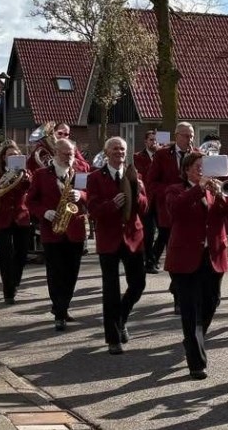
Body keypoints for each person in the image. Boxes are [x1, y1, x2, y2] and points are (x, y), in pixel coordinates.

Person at [165, 150, 228, 380]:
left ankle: (193, 339)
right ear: (186, 170)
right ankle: (197, 362)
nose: (202, 171)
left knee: (211, 303)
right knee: (190, 310)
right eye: (197, 167)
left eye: (204, 167)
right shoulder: (175, 190)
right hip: (185, 259)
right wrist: (199, 188)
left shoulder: (215, 190)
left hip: (213, 256)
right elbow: (175, 210)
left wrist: (222, 195)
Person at [87, 137, 147, 354]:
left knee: (138, 284)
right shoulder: (95, 177)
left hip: (133, 237)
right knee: (111, 290)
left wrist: (138, 193)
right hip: (109, 238)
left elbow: (144, 208)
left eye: (122, 149)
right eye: (114, 149)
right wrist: (111, 205)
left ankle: (120, 318)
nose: (119, 152)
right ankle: (113, 338)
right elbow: (92, 209)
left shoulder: (134, 175)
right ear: (106, 152)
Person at [27, 137, 89, 331]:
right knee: (55, 273)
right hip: (52, 231)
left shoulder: (81, 171)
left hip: (75, 229)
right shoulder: (41, 174)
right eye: (65, 154)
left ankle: (62, 306)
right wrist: (44, 212)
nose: (70, 157)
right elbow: (31, 201)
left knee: (71, 273)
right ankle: (60, 312)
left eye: (71, 154)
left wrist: (82, 195)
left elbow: (91, 194)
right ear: (55, 154)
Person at [0, 141, 34, 304]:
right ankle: (8, 291)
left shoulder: (25, 172)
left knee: (21, 254)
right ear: (4, 158)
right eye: (9, 155)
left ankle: (15, 280)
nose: (13, 157)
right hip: (2, 218)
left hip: (21, 217)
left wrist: (26, 178)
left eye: (15, 155)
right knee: (5, 256)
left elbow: (29, 189)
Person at [148, 122, 198, 273]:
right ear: (176, 136)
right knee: (173, 246)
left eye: (192, 136)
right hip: (169, 209)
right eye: (186, 136)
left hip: (193, 210)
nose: (189, 139)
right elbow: (151, 182)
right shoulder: (162, 155)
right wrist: (171, 191)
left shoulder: (198, 154)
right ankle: (176, 281)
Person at [134, 130, 160, 272]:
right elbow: (146, 174)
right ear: (145, 141)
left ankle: (152, 257)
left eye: (155, 140)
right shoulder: (138, 156)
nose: (154, 142)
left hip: (160, 199)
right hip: (147, 199)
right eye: (151, 140)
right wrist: (158, 159)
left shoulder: (161, 155)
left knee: (163, 232)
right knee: (149, 233)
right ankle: (149, 262)